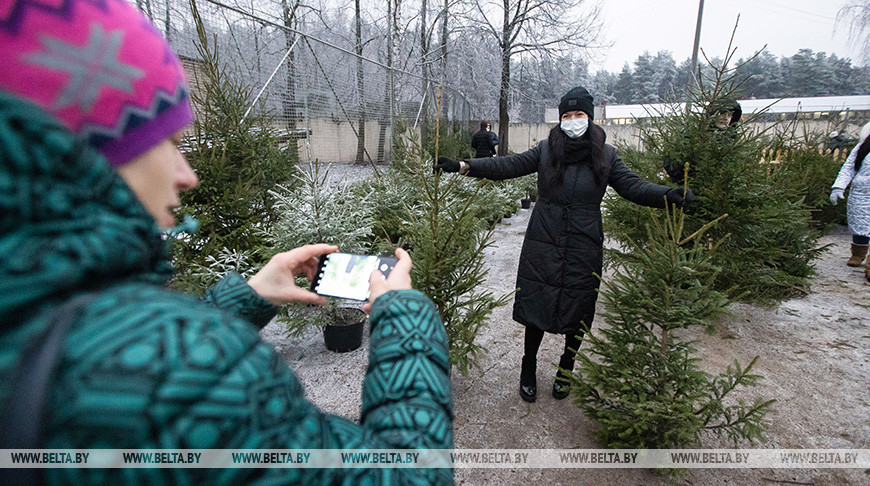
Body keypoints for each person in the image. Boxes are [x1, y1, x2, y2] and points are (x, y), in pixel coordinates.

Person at [0, 1, 452, 484]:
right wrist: (403, 316)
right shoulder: (173, 366)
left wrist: (244, 299)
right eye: (169, 142)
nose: (187, 175)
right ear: (90, 147)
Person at [434, 86, 694, 403]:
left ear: (590, 117)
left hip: (585, 241)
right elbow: (509, 165)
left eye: (579, 114)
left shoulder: (606, 156)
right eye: (566, 115)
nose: (572, 120)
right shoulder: (546, 150)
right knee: (537, 303)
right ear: (560, 119)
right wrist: (465, 166)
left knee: (579, 306)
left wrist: (668, 195)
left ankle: (566, 368)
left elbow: (632, 187)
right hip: (544, 236)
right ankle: (528, 365)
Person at [663, 97, 742, 183]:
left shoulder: (732, 140)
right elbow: (670, 162)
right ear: (712, 113)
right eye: (722, 113)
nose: (725, 118)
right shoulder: (692, 135)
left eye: (729, 115)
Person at [830, 121, 870, 282]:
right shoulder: (863, 147)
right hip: (861, 193)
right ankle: (858, 254)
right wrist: (838, 187)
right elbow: (848, 167)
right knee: (859, 225)